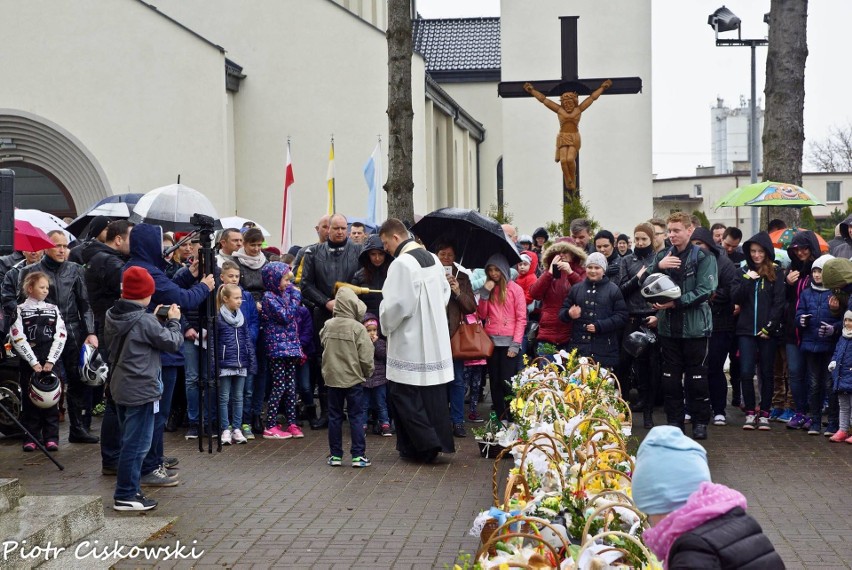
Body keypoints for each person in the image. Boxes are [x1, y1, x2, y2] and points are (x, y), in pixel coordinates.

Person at [123, 223, 213, 485]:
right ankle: (149, 466)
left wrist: (188, 275)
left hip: (157, 350)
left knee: (156, 412)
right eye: (158, 242)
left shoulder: (143, 268)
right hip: (160, 350)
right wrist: (205, 286)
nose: (164, 248)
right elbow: (179, 299)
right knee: (156, 412)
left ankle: (154, 458)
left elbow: (167, 288)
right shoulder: (144, 270)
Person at [632, 426, 784, 568]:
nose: (652, 523)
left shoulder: (692, 549)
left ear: (665, 502)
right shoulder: (736, 519)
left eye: (650, 512)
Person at [105, 267, 182, 512]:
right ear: (146, 294)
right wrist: (174, 322)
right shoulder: (144, 320)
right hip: (142, 389)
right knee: (137, 445)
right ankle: (126, 494)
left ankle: (130, 490)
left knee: (129, 441)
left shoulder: (112, 314)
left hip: (120, 385)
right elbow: (172, 342)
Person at [379, 218, 455, 463]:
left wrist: (384, 321)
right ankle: (434, 443)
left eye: (385, 243)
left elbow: (398, 305)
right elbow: (444, 293)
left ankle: (424, 445)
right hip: (434, 338)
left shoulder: (402, 264)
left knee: (404, 393)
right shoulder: (432, 258)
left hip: (410, 340)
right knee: (432, 395)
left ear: (396, 237)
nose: (385, 249)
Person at [19, 230, 100, 444]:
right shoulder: (31, 271)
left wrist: (90, 332)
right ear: (46, 246)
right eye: (58, 246)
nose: (63, 250)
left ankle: (80, 427)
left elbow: (85, 303)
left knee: (79, 379)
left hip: (73, 330)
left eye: (65, 246)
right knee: (38, 379)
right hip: (43, 332)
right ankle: (35, 434)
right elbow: (20, 304)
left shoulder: (75, 270)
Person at [642, 212, 716, 440]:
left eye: (677, 230)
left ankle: (700, 422)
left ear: (689, 230)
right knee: (670, 380)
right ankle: (674, 421)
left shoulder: (704, 257)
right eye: (669, 231)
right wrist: (659, 266)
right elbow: (646, 282)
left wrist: (676, 302)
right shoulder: (663, 255)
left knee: (697, 380)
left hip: (695, 329)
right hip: (668, 329)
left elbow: (706, 290)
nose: (672, 235)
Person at [300, 213, 361, 429]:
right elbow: (306, 285)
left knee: (351, 358)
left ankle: (355, 411)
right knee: (323, 361)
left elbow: (360, 278)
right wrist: (325, 302)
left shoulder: (357, 251)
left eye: (344, 228)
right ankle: (327, 411)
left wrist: (346, 300)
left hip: (351, 315)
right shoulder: (314, 253)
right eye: (336, 228)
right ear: (327, 230)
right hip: (323, 314)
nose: (340, 232)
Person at [732, 232, 786, 431]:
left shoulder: (776, 272)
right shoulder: (742, 272)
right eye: (753, 251)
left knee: (766, 372)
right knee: (746, 372)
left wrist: (769, 328)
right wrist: (747, 279)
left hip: (767, 332)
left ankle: (764, 412)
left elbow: (779, 303)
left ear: (767, 252)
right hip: (746, 330)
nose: (756, 255)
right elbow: (736, 298)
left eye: (760, 251)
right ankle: (749, 413)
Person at [10, 272, 67, 452]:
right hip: (29, 361)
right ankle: (31, 437)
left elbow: (61, 335)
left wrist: (51, 360)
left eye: (47, 288)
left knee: (52, 398)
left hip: (51, 359)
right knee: (30, 399)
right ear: (30, 289)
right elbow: (17, 336)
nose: (45, 290)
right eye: (41, 287)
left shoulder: (53, 308)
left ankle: (51, 437)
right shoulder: (19, 310)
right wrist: (33, 362)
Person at [523, 79, 612, 191]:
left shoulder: (579, 109)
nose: (568, 105)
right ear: (562, 104)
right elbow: (544, 100)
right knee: (564, 161)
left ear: (574, 102)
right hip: (563, 136)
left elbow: (592, 98)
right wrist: (532, 91)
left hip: (574, 137)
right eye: (565, 104)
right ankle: (568, 179)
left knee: (570, 159)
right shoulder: (559, 110)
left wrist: (603, 87)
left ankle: (573, 179)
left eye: (570, 103)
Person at [320, 287, 374, 467]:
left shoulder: (328, 325)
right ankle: (358, 455)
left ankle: (335, 455)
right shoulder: (358, 328)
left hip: (333, 378)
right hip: (353, 379)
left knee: (335, 417)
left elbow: (322, 342)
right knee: (356, 416)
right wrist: (367, 372)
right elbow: (366, 356)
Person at [691, 227, 738, 427]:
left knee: (715, 368)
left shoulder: (724, 263)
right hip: (695, 323)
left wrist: (712, 295)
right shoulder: (688, 261)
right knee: (695, 368)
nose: (697, 249)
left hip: (720, 323)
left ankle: (719, 409)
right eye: (693, 245)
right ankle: (695, 407)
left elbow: (731, 290)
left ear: (708, 244)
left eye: (699, 244)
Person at [434, 239, 477, 438]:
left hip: (454, 336)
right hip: (434, 335)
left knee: (457, 381)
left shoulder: (463, 278)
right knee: (438, 382)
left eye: (449, 255)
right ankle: (440, 420)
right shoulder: (430, 275)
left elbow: (471, 307)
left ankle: (458, 421)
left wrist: (457, 290)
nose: (445, 259)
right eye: (442, 254)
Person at [477, 253, 527, 420]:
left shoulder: (515, 289)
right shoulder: (489, 288)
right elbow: (482, 315)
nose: (493, 274)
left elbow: (521, 318)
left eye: (496, 270)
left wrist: (515, 344)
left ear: (504, 270)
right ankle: (500, 418)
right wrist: (484, 294)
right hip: (491, 341)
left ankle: (512, 416)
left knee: (507, 382)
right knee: (495, 383)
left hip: (509, 342)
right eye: (490, 270)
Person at [618, 223, 659, 427]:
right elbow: (621, 289)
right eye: (637, 238)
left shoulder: (658, 258)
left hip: (651, 319)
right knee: (625, 364)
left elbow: (664, 287)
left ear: (651, 239)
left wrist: (658, 315)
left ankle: (649, 412)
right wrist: (638, 277)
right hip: (631, 318)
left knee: (649, 368)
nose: (640, 242)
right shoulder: (626, 260)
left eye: (644, 239)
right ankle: (624, 409)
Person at [797, 254, 840, 436]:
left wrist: (834, 328)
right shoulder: (806, 293)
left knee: (830, 385)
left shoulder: (836, 293)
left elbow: (844, 319)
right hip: (810, 345)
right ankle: (814, 421)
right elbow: (798, 313)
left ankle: (832, 422)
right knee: (814, 384)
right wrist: (802, 320)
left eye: (820, 272)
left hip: (830, 346)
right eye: (814, 271)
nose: (816, 275)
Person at [260, 262, 304, 439]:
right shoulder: (269, 297)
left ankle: (292, 422)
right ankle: (270, 424)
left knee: (291, 386)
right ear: (274, 279)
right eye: (285, 279)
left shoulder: (286, 294)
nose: (288, 283)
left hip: (291, 347)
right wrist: (295, 297)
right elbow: (286, 316)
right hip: (277, 349)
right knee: (279, 386)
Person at [560, 252, 627, 369]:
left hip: (605, 348)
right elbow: (562, 313)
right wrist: (569, 314)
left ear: (604, 270)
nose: (593, 271)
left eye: (597, 268)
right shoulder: (576, 289)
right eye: (590, 267)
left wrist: (600, 326)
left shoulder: (613, 289)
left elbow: (622, 316)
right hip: (579, 346)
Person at [783, 231, 822, 428]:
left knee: (813, 375)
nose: (801, 253)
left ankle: (813, 412)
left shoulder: (819, 268)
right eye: (797, 249)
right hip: (792, 329)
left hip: (812, 330)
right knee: (795, 371)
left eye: (805, 248)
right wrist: (787, 283)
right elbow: (785, 299)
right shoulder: (791, 269)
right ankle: (800, 411)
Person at [219, 261, 259, 440]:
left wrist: (250, 359)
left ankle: (239, 426)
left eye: (237, 276)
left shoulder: (243, 313)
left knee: (240, 395)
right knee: (224, 397)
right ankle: (224, 427)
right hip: (226, 361)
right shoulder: (218, 316)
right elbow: (215, 343)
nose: (240, 301)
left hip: (241, 360)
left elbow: (250, 333)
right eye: (236, 298)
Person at [530, 238, 586, 355]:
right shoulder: (549, 272)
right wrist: (549, 273)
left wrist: (571, 273)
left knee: (570, 371)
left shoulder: (580, 272)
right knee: (546, 372)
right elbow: (535, 294)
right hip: (548, 332)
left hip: (571, 332)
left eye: (565, 251)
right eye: (558, 252)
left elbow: (584, 294)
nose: (561, 255)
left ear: (573, 253)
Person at [84, 220, 132, 335]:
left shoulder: (100, 256)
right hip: (108, 325)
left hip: (101, 322)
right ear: (118, 240)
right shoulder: (111, 262)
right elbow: (128, 290)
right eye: (132, 238)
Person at [362, 313, 390, 436]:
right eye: (368, 330)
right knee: (364, 404)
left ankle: (385, 424)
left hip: (379, 378)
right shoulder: (361, 343)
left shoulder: (380, 342)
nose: (372, 333)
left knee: (381, 403)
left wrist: (375, 343)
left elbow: (383, 355)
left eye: (374, 330)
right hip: (365, 379)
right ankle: (362, 425)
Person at [352, 234, 391, 317]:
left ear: (386, 255)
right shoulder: (359, 276)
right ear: (367, 255)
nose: (377, 258)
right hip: (368, 323)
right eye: (373, 254)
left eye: (381, 254)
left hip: (389, 320)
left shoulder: (392, 274)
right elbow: (354, 303)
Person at [829, 311, 852, 443]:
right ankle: (842, 429)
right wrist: (833, 361)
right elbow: (837, 352)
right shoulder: (842, 337)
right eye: (846, 320)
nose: (848, 323)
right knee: (843, 405)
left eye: (850, 321)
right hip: (842, 376)